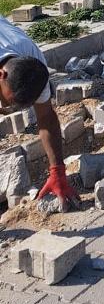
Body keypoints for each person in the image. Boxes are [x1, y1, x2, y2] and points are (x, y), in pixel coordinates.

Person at [0, 15, 81, 211]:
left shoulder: (34, 64)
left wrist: (57, 172)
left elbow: (46, 117)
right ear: (1, 75)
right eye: (7, 101)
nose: (6, 108)